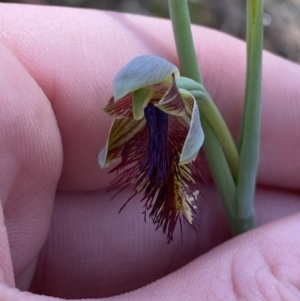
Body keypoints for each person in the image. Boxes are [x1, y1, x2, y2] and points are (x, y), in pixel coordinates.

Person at [0, 3, 300, 300]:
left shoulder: (185, 100)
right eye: (140, 96)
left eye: (153, 94)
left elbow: (185, 136)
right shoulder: (164, 106)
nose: (146, 100)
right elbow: (121, 143)